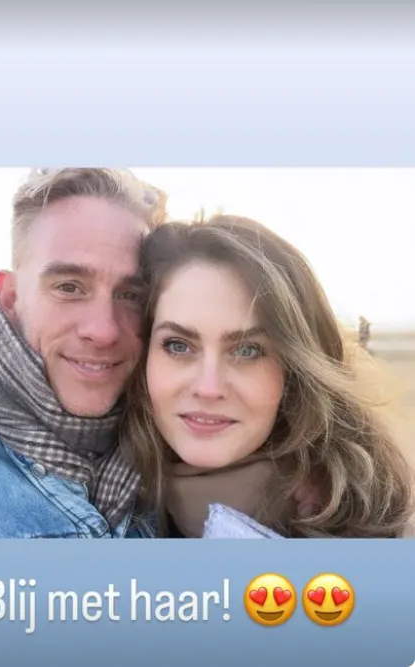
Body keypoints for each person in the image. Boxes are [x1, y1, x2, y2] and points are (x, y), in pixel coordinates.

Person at [125, 215, 415, 538]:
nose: (208, 387)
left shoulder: (373, 535)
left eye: (247, 350)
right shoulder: (105, 506)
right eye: (178, 346)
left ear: (294, 372)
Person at [0, 168, 165, 538]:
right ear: (11, 298)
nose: (103, 330)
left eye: (130, 295)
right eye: (69, 287)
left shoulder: (178, 460)